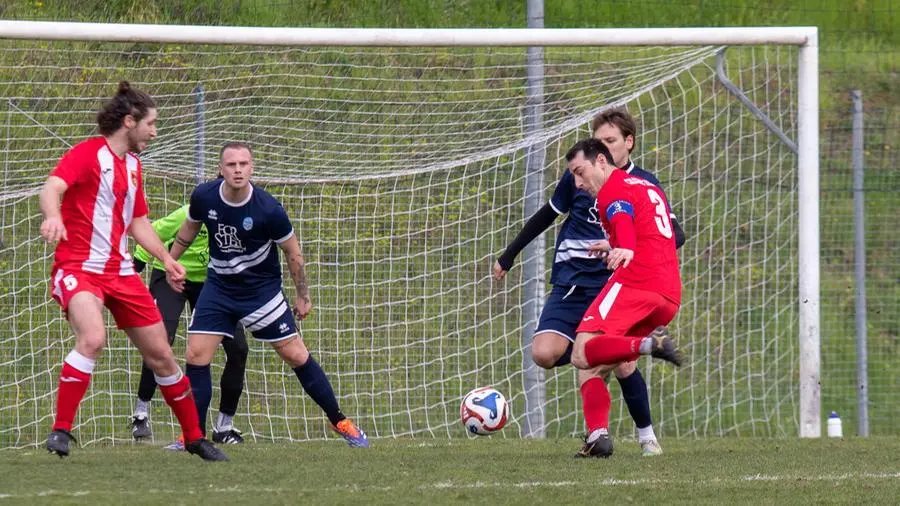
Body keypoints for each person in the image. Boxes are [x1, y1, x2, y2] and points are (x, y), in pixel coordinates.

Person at [38, 81, 226, 461]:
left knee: (162, 356)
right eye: (152, 124)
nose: (155, 132)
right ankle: (60, 430)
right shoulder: (87, 154)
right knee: (92, 337)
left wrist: (167, 259)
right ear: (129, 121)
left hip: (122, 273)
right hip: (79, 267)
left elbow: (138, 222)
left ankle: (194, 437)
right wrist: (53, 215)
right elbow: (51, 186)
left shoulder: (134, 167)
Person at [492, 110, 683, 457]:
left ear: (627, 143)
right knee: (546, 353)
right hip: (572, 281)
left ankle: (642, 437)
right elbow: (547, 216)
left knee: (613, 359)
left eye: (610, 140)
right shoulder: (580, 178)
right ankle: (607, 417)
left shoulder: (635, 183)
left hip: (616, 280)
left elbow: (668, 232)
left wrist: (626, 246)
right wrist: (509, 254)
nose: (603, 146)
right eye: (599, 139)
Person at [167, 141, 370, 448]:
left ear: (252, 168)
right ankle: (192, 435)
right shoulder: (204, 196)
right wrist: (171, 262)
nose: (238, 170)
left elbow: (292, 251)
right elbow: (188, 229)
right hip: (219, 289)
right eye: (231, 164)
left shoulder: (269, 209)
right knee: (196, 355)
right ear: (221, 169)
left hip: (261, 293)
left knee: (296, 355)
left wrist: (303, 294)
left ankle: (340, 421)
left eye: (243, 164)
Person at [565, 138, 684, 457]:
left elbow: (620, 214)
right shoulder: (645, 185)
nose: (578, 183)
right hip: (669, 292)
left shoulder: (612, 191)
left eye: (580, 172)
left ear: (601, 161)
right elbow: (651, 228)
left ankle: (649, 345)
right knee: (595, 366)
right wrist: (615, 243)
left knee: (581, 352)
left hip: (638, 281)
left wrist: (627, 246)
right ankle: (608, 439)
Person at [130, 203, 249, 448]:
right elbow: (153, 233)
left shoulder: (242, 219)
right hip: (170, 275)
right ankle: (140, 414)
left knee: (238, 348)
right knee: (160, 341)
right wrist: (134, 268)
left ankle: (223, 427)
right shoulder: (190, 213)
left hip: (212, 284)